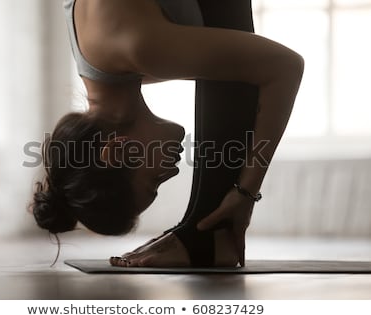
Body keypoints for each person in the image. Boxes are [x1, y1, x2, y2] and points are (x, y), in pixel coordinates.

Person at [31, 0, 304, 268]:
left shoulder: (143, 49)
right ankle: (204, 230)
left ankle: (208, 232)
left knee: (235, 69)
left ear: (120, 150)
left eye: (155, 180)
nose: (171, 173)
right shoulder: (98, 51)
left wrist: (246, 192)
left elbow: (285, 66)